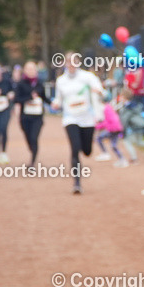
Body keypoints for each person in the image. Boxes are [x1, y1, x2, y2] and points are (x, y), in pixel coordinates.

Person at [51, 52, 104, 194]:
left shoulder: (88, 77)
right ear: (65, 64)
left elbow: (101, 91)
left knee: (86, 151)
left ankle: (86, 147)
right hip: (70, 118)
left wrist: (98, 91)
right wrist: (55, 104)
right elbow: (58, 99)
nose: (71, 64)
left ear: (78, 62)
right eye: (68, 62)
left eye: (74, 61)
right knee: (75, 149)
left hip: (87, 118)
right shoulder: (61, 80)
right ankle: (77, 183)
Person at [16, 61, 48, 168]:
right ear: (24, 71)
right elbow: (17, 99)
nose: (31, 71)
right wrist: (29, 98)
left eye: (33, 69)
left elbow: (44, 98)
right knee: (29, 139)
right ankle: (32, 151)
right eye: (29, 69)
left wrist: (54, 104)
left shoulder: (40, 84)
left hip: (37, 117)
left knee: (34, 138)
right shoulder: (21, 84)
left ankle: (32, 163)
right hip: (25, 118)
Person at [95, 95, 127, 167]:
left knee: (99, 138)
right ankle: (122, 159)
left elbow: (107, 121)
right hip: (116, 128)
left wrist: (97, 126)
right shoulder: (109, 107)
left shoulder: (106, 108)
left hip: (113, 129)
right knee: (113, 145)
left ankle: (105, 153)